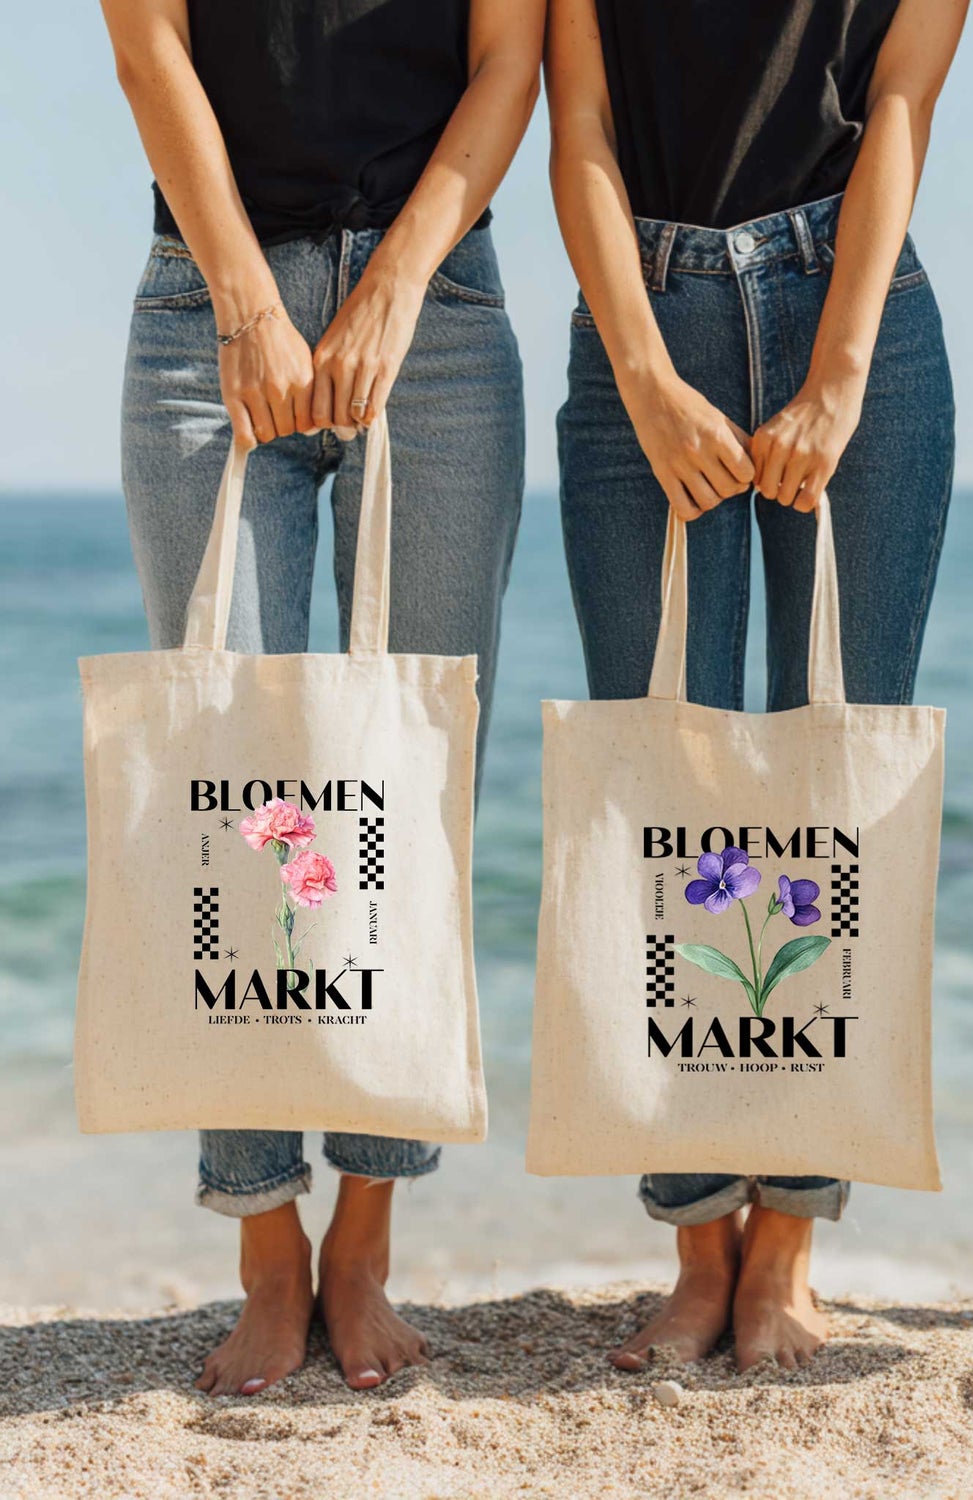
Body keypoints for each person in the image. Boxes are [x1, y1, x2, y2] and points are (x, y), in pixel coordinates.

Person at [102, 0, 544, 1395]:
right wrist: (246, 302)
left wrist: (398, 283)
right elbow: (147, 42)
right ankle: (265, 1248)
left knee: (414, 798)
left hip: (437, 317)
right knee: (231, 805)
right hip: (206, 307)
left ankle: (363, 1239)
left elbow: (509, 59)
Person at [547, 0, 966, 1370]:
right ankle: (694, 1240)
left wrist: (839, 372)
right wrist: (643, 373)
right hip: (643, 319)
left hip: (858, 317)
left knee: (834, 805)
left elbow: (900, 101)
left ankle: (787, 1240)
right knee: (660, 799)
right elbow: (580, 125)